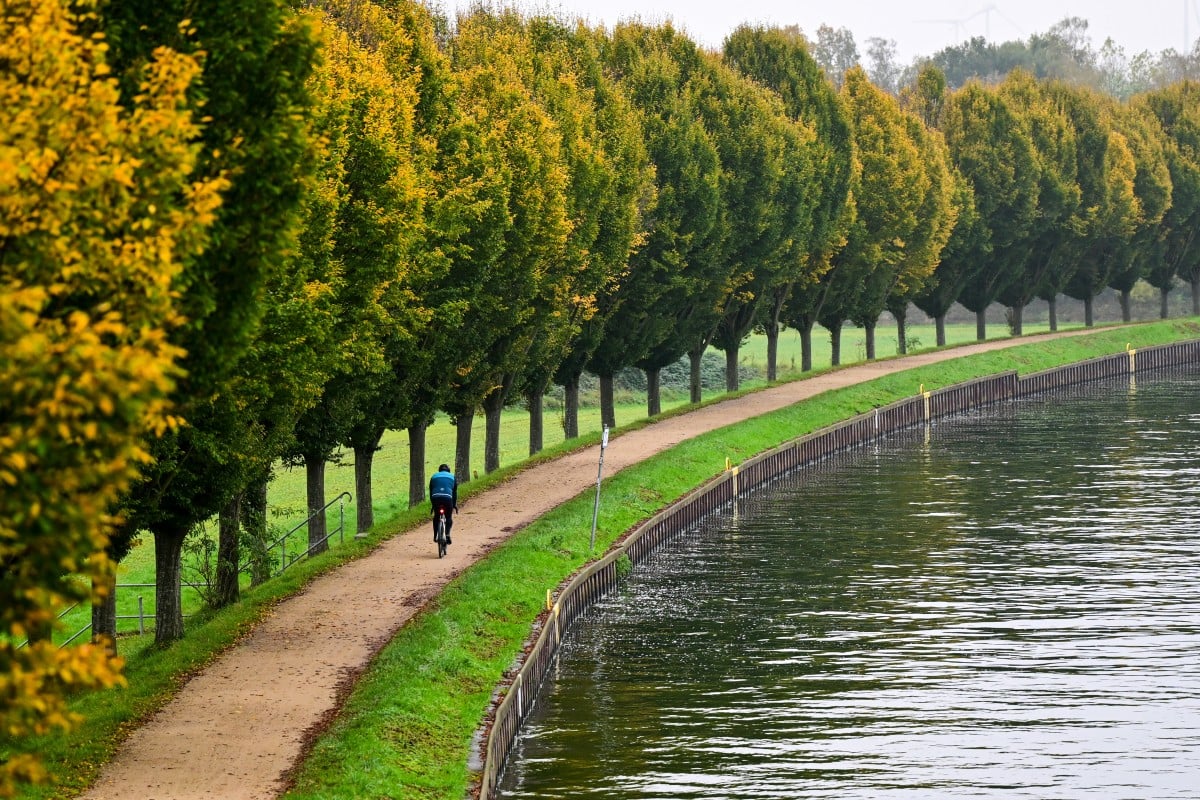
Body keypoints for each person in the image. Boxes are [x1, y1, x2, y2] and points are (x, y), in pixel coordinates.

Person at [429, 463, 458, 545]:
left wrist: (433, 505)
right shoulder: (452, 477)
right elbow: (454, 493)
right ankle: (447, 534)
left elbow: (431, 492)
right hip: (447, 498)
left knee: (436, 517)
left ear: (439, 470)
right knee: (448, 517)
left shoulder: (434, 476)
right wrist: (454, 505)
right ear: (448, 470)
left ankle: (435, 536)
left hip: (436, 498)